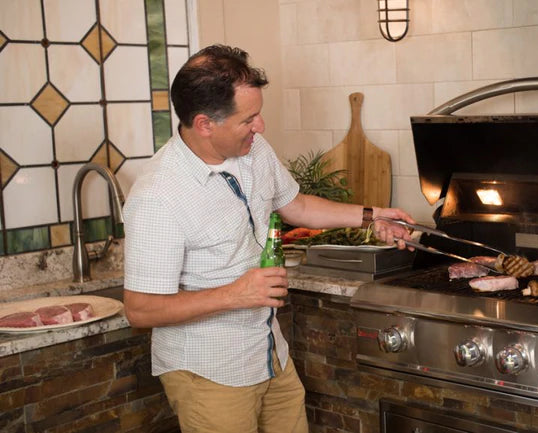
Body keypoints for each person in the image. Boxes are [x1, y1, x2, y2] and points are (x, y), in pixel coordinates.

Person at [122, 44, 415, 433]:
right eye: (248, 119)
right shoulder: (158, 195)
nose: (260, 126)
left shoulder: (253, 150)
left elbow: (297, 206)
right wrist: (236, 294)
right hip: (209, 374)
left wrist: (372, 215)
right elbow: (140, 310)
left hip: (268, 353)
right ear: (205, 124)